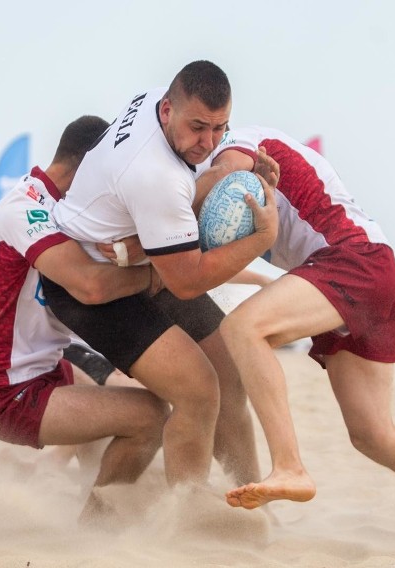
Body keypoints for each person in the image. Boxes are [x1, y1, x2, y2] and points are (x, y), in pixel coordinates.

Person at [195, 125, 395, 518]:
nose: (201, 139)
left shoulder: (236, 144)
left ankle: (290, 467)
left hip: (351, 258)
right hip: (366, 266)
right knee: (374, 435)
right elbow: (204, 266)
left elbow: (225, 170)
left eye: (206, 128)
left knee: (243, 327)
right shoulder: (226, 183)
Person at [44, 61, 279, 489]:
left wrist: (238, 176)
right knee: (199, 391)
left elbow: (192, 191)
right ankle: (182, 523)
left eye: (219, 128)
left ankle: (248, 499)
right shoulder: (154, 177)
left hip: (142, 258)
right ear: (169, 110)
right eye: (198, 128)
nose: (207, 142)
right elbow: (187, 280)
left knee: (230, 376)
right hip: (91, 285)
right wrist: (263, 236)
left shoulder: (159, 101)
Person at [0, 115, 169, 521]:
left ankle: (79, 494)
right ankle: (95, 530)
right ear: (90, 164)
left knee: (116, 401)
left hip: (48, 367)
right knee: (149, 417)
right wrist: (155, 276)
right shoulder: (25, 208)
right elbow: (90, 285)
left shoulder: (64, 206)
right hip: (2, 389)